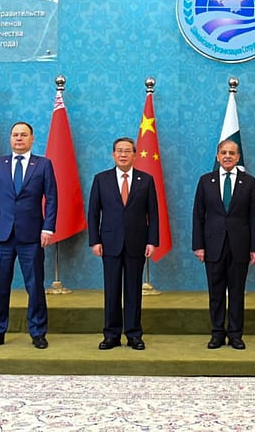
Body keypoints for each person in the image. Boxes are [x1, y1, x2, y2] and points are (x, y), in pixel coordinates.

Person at [0, 122, 57, 350]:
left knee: (35, 285)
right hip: (1, 234)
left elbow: (51, 198)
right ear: (10, 138)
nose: (19, 139)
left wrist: (48, 228)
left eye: (23, 135)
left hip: (32, 234)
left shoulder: (43, 164)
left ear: (32, 139)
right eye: (15, 135)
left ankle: (38, 332)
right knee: (0, 285)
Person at [88, 137, 159, 351]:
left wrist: (152, 241)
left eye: (127, 151)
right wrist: (95, 240)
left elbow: (153, 215)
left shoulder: (146, 180)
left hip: (137, 242)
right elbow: (93, 213)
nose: (123, 154)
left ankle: (134, 334)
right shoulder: (101, 179)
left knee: (133, 290)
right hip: (109, 243)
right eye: (119, 151)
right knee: (111, 290)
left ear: (134, 155)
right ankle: (111, 335)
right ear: (113, 154)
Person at [192, 140, 255, 350]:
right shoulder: (206, 181)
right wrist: (199, 245)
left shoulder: (249, 182)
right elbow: (198, 216)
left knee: (237, 292)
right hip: (213, 245)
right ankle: (217, 333)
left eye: (232, 153)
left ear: (238, 157)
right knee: (216, 292)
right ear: (217, 156)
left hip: (240, 246)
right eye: (224, 152)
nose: (228, 156)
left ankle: (235, 334)